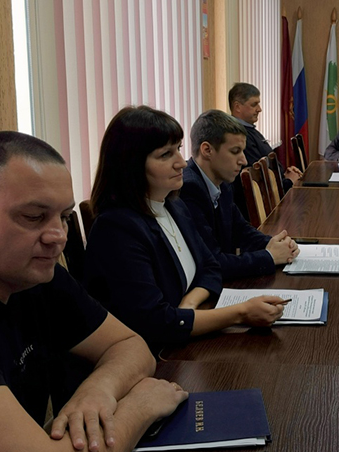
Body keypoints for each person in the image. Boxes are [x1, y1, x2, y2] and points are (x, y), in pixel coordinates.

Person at [0, 131, 187, 452]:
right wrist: (140, 407)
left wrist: (97, 391)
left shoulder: (32, 274)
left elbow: (130, 345)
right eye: (34, 217)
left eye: (64, 217)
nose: (57, 236)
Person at [84, 106, 287, 352]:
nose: (181, 162)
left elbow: (210, 267)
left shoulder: (173, 205)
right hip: (156, 356)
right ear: (131, 164)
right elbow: (155, 322)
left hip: (187, 337)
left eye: (178, 150)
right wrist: (241, 313)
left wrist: (189, 304)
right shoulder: (116, 229)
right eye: (165, 155)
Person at [181, 109, 299, 280]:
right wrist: (270, 256)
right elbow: (212, 262)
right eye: (235, 151)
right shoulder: (189, 189)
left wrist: (274, 244)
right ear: (207, 150)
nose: (244, 160)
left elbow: (241, 230)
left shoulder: (222, 181)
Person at [228, 82, 302, 219]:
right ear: (237, 107)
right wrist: (289, 182)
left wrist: (285, 174)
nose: (259, 109)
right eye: (254, 104)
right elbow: (259, 179)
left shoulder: (249, 130)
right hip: (265, 209)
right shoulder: (239, 136)